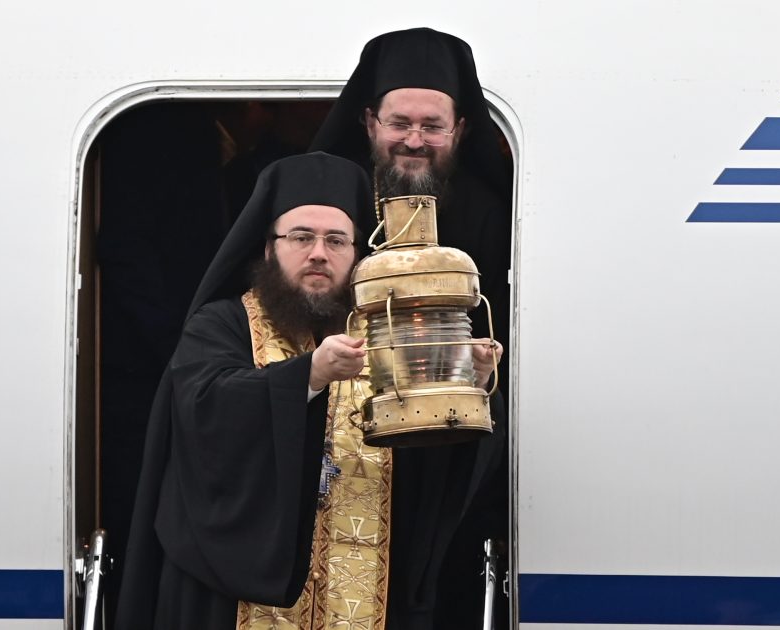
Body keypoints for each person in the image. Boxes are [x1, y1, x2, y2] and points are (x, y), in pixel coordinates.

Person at [114, 151, 504, 630]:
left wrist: (470, 382)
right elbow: (204, 414)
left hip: (363, 594)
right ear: (268, 249)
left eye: (336, 240)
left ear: (357, 255)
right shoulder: (221, 325)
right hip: (236, 603)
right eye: (301, 237)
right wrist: (309, 376)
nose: (319, 253)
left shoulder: (388, 335)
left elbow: (432, 467)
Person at [310, 27, 513, 627]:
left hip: (445, 447)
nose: (415, 140)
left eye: (432, 126)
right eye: (400, 123)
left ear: (461, 130)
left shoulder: (489, 211)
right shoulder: (324, 204)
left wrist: (484, 365)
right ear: (369, 122)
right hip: (335, 443)